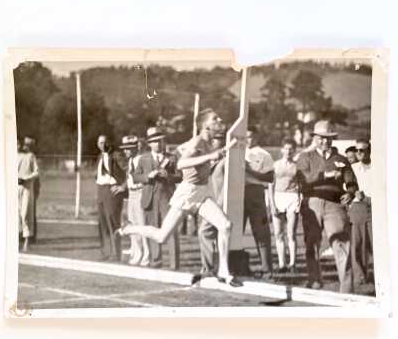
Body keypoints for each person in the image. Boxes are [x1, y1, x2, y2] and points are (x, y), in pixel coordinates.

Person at [116, 109, 241, 286]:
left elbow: (183, 151)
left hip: (202, 192)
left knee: (225, 225)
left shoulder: (206, 142)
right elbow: (182, 164)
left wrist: (213, 154)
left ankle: (223, 271)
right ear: (206, 126)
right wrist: (210, 156)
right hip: (187, 193)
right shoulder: (198, 142)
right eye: (215, 119)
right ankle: (130, 229)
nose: (219, 119)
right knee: (161, 236)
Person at [296, 120, 358, 292]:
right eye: (321, 138)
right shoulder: (305, 157)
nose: (325, 141)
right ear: (314, 138)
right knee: (312, 244)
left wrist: (350, 193)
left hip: (335, 205)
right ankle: (314, 281)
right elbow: (303, 180)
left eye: (328, 138)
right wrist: (326, 175)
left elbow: (352, 182)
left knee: (341, 245)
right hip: (312, 202)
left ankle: (347, 290)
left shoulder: (341, 159)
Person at [131, 127, 181, 269]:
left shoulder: (172, 158)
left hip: (167, 198)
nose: (157, 144)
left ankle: (174, 263)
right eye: (154, 142)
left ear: (163, 142)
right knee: (152, 229)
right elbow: (135, 177)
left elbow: (180, 176)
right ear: (149, 144)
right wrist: (147, 176)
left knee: (171, 229)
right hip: (149, 198)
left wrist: (168, 176)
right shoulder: (143, 158)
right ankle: (156, 260)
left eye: (159, 141)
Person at [244, 126, 275, 279]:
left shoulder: (264, 154)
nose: (247, 139)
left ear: (256, 137)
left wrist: (249, 170)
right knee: (234, 230)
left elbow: (270, 177)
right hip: (236, 192)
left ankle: (267, 269)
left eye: (250, 136)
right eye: (245, 136)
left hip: (255, 192)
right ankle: (233, 265)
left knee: (261, 230)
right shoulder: (235, 151)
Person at [197, 129, 227, 276]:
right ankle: (211, 267)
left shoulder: (226, 160)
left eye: (217, 139)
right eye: (214, 139)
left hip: (219, 203)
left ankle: (208, 267)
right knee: (210, 234)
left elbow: (228, 184)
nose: (214, 142)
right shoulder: (209, 159)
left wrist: (220, 203)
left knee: (204, 232)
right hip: (206, 201)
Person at [268, 138, 301, 274]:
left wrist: (299, 200)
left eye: (291, 149)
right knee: (278, 233)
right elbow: (270, 186)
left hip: (292, 197)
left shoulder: (297, 166)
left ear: (294, 151)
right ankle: (282, 264)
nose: (288, 151)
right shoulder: (275, 165)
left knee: (291, 233)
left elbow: (300, 185)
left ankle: (292, 263)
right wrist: (272, 204)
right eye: (286, 148)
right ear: (282, 150)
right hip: (278, 197)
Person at [119, 135, 150, 266]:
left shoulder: (142, 159)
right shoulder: (131, 160)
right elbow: (129, 178)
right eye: (125, 148)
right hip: (131, 194)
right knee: (132, 224)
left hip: (140, 192)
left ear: (135, 147)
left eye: (128, 148)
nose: (125, 151)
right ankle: (137, 252)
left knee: (142, 225)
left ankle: (147, 254)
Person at [96, 135, 127, 262]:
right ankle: (105, 252)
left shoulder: (116, 155)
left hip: (112, 190)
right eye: (100, 143)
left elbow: (129, 171)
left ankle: (116, 253)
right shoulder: (100, 156)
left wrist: (123, 186)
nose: (103, 145)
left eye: (105, 142)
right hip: (100, 190)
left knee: (113, 221)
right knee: (102, 223)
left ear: (109, 143)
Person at [349, 139, 373, 287]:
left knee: (374, 243)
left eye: (362, 150)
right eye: (356, 150)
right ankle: (360, 276)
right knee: (357, 244)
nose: (358, 153)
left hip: (375, 207)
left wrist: (368, 199)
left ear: (369, 151)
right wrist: (353, 193)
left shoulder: (378, 167)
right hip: (357, 208)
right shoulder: (352, 168)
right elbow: (346, 186)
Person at [18, 136, 39, 252]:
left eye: (19, 144)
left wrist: (26, 178)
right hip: (15, 188)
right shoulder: (14, 156)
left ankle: (27, 241)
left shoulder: (31, 156)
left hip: (26, 188)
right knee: (16, 215)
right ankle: (17, 240)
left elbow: (36, 172)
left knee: (25, 213)